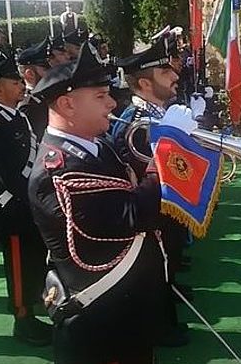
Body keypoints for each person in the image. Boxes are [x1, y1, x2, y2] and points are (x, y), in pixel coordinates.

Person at [28, 43, 171, 363]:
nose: (111, 103)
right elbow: (133, 214)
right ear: (67, 104)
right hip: (100, 321)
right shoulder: (59, 170)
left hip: (125, 314)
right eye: (100, 97)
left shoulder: (95, 146)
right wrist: (167, 158)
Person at [111, 37, 190, 347]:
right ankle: (159, 326)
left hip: (166, 213)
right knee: (155, 269)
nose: (174, 76)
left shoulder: (158, 115)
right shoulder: (133, 123)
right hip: (151, 216)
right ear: (144, 83)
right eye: (164, 73)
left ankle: (166, 313)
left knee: (167, 264)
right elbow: (141, 178)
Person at [0, 51, 51, 346]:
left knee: (34, 260)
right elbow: (10, 176)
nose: (22, 85)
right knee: (19, 265)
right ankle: (22, 321)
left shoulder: (18, 117)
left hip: (29, 205)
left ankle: (32, 311)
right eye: (14, 82)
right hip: (13, 209)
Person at [17, 40, 53, 141]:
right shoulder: (28, 107)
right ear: (30, 74)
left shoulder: (44, 96)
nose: (51, 73)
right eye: (46, 69)